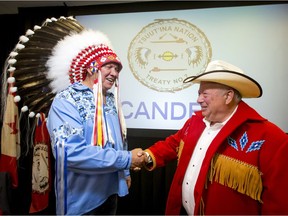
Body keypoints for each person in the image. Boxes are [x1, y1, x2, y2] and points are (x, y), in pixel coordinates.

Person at [140, 60, 288, 215]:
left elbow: (279, 202)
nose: (198, 100)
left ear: (228, 96)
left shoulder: (270, 137)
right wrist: (145, 157)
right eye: (199, 94)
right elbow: (173, 144)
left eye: (205, 94)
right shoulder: (195, 122)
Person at [46, 29, 145, 215]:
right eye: (109, 67)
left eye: (117, 69)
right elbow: (70, 153)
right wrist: (126, 160)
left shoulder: (110, 100)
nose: (114, 73)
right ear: (92, 67)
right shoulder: (67, 100)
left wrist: (125, 172)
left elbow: (119, 139)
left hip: (111, 193)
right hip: (82, 200)